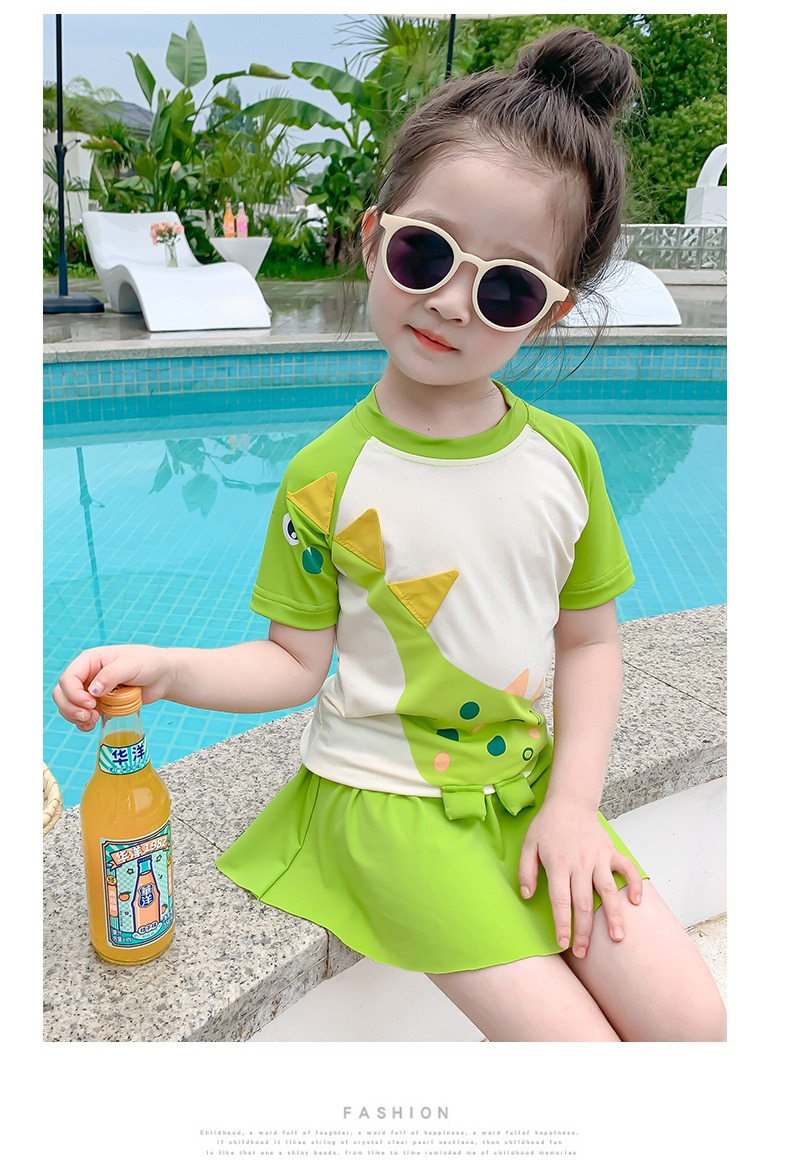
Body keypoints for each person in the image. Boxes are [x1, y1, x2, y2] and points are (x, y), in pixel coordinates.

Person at [53, 27, 726, 1042]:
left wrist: (572, 805)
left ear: (547, 316)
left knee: (695, 1023)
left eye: (506, 287)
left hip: (527, 789)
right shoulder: (324, 477)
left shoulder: (567, 460)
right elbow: (294, 663)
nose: (451, 302)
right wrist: (167, 666)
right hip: (386, 803)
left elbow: (589, 642)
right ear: (373, 239)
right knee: (578, 1053)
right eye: (426, 253)